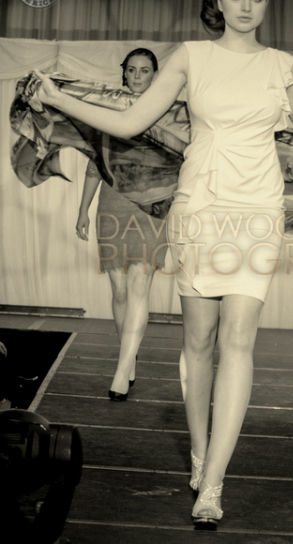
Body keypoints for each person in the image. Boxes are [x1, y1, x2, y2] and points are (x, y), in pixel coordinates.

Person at [34, 0, 293, 528]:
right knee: (199, 342)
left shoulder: (282, 66)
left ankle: (212, 483)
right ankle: (199, 451)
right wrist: (57, 99)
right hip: (200, 208)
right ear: (220, 1)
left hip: (256, 212)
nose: (247, 6)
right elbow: (130, 122)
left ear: (267, 4)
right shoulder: (191, 56)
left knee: (238, 340)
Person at [74, 48, 166, 402]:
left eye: (145, 70)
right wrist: (83, 209)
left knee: (140, 285)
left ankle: (122, 369)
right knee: (120, 291)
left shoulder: (167, 114)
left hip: (151, 207)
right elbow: (95, 163)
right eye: (132, 69)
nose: (138, 75)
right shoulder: (109, 111)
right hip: (112, 204)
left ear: (155, 75)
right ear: (124, 73)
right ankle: (129, 357)